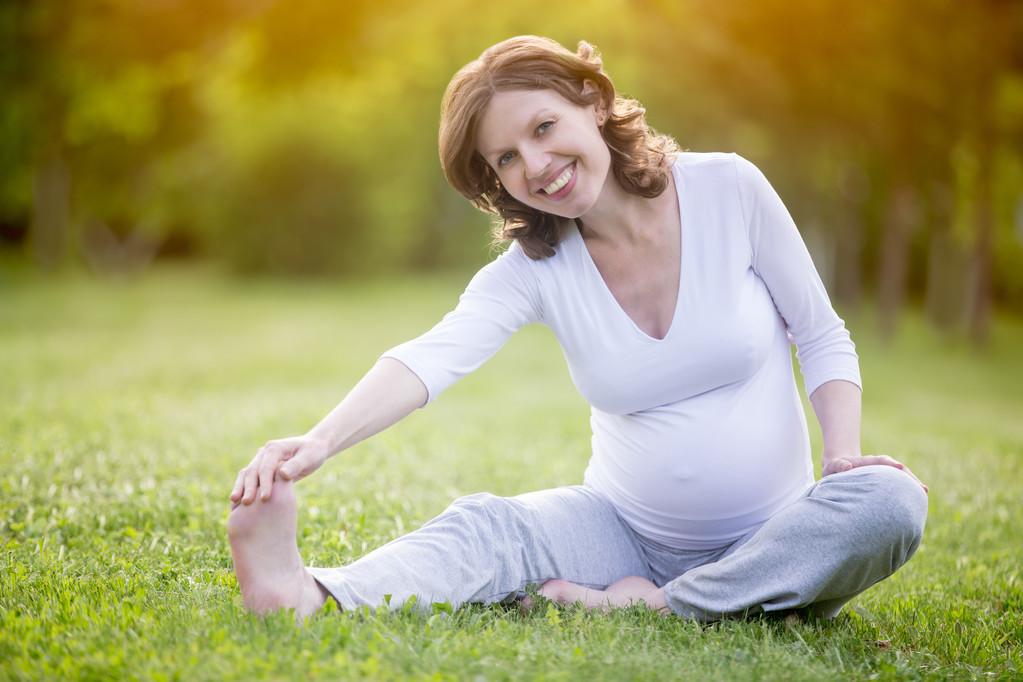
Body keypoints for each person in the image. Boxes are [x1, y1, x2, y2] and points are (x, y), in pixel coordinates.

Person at [226, 35, 929, 623]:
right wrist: (319, 440)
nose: (535, 166)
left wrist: (840, 457)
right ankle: (309, 594)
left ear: (591, 103)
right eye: (504, 159)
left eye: (542, 129)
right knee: (490, 528)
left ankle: (655, 607)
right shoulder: (535, 265)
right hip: (619, 531)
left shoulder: (728, 190)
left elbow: (819, 332)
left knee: (889, 502)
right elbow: (430, 358)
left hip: (776, 539)